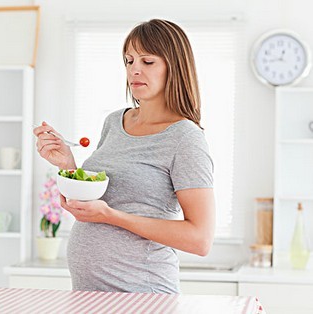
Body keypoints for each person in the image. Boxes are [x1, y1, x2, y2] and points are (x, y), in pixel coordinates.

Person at [33, 19, 215, 294]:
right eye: (129, 61)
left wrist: (112, 217)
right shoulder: (114, 122)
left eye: (148, 61)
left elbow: (200, 239)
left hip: (143, 295)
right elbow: (97, 201)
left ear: (174, 67)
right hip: (88, 294)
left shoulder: (185, 138)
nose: (135, 70)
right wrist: (67, 163)